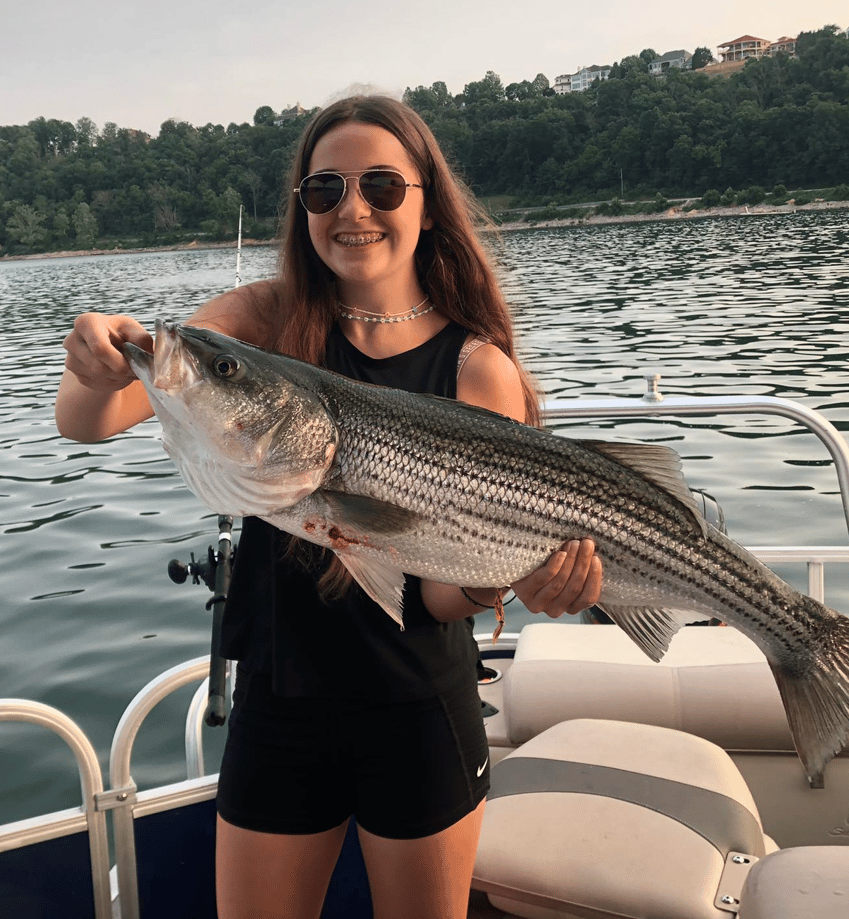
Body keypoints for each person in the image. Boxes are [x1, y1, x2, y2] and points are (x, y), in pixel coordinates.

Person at [56, 94, 603, 919]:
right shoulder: (262, 319)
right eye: (324, 191)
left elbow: (443, 596)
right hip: (279, 700)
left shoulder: (478, 368)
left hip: (419, 709)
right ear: (302, 208)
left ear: (427, 200)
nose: (352, 209)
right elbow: (92, 421)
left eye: (382, 186)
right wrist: (95, 368)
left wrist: (515, 582)